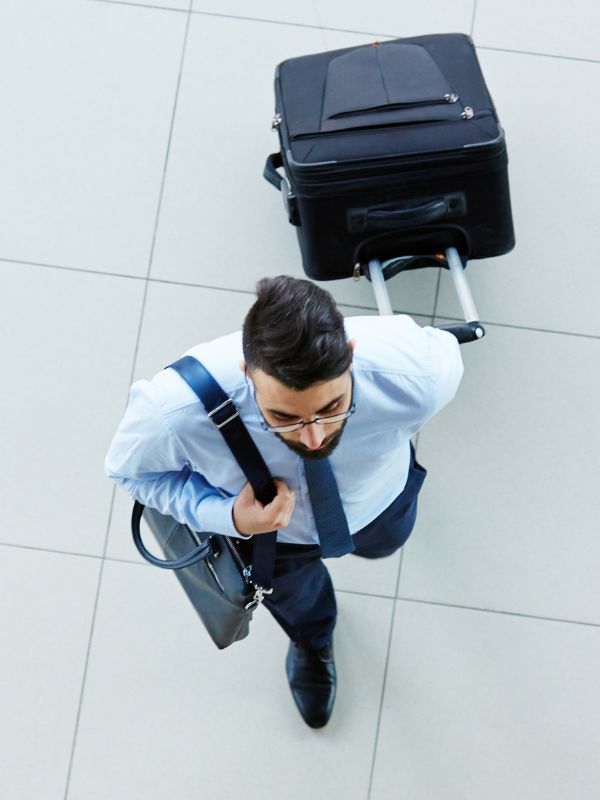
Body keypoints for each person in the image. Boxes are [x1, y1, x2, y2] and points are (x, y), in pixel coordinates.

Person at [105, 275, 463, 728]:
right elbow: (128, 472)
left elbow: (446, 356)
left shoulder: (418, 373)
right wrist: (228, 515)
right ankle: (314, 643)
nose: (313, 437)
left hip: (381, 502)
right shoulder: (173, 410)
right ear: (246, 372)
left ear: (350, 356)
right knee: (299, 606)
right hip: (273, 541)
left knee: (386, 543)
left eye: (332, 407)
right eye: (284, 417)